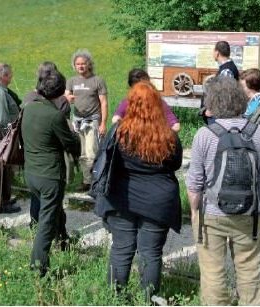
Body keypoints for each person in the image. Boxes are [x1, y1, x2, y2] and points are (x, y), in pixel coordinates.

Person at [186, 76, 260, 305]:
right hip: (249, 214)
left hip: (211, 214)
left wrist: (195, 211)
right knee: (249, 269)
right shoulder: (259, 133)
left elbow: (194, 181)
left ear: (212, 103)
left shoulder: (204, 135)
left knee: (212, 270)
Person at [95, 81, 182, 299]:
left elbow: (106, 161)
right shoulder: (169, 137)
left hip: (122, 197)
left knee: (121, 249)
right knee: (151, 253)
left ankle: (116, 297)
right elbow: (176, 164)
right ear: (157, 105)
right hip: (157, 201)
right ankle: (149, 298)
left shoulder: (118, 133)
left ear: (130, 104)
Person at [22, 67, 80, 276]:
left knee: (54, 211)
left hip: (31, 173)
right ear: (59, 92)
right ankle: (38, 267)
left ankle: (64, 240)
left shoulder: (28, 108)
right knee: (46, 222)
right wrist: (75, 135)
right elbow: (71, 145)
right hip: (50, 175)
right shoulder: (55, 116)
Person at [23, 62, 73, 226]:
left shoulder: (29, 99)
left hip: (31, 159)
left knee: (37, 196)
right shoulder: (60, 103)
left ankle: (35, 223)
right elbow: (67, 138)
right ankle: (52, 235)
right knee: (52, 202)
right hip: (51, 161)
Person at [65, 49, 108, 192]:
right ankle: (87, 181)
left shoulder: (97, 80)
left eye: (83, 63)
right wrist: (68, 98)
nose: (81, 66)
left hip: (92, 121)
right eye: (78, 64)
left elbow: (104, 102)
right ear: (74, 66)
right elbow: (66, 96)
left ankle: (93, 182)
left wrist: (103, 123)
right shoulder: (71, 81)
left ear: (89, 64)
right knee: (82, 153)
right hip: (77, 121)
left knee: (91, 152)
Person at [111, 68, 180, 132]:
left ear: (131, 88)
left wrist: (128, 128)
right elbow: (175, 126)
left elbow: (115, 120)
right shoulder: (159, 102)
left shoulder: (127, 102)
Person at [0, 63, 21, 214]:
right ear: (4, 77)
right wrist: (9, 138)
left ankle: (5, 198)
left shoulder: (2, 91)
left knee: (6, 170)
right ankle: (2, 202)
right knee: (4, 170)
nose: (11, 77)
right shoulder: (1, 93)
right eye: (9, 75)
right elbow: (2, 118)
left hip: (6, 136)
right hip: (5, 137)